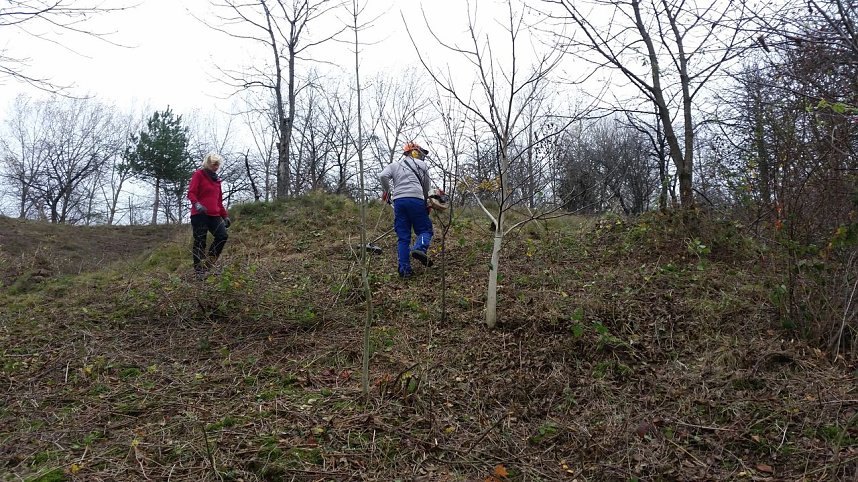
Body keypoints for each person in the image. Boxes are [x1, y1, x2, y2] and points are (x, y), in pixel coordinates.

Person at [379, 141, 434, 278]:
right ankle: (419, 248)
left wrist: (387, 192)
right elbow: (426, 187)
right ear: (414, 152)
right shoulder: (422, 165)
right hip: (416, 200)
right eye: (420, 153)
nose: (422, 156)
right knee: (425, 230)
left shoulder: (395, 165)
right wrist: (427, 201)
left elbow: (382, 176)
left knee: (403, 238)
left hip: (399, 201)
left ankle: (405, 271)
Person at [187, 153, 230, 278]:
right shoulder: (198, 175)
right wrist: (197, 204)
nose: (216, 167)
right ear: (207, 163)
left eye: (217, 165)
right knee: (200, 241)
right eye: (213, 164)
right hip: (199, 214)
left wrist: (224, 216)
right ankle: (199, 271)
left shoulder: (217, 181)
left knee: (222, 236)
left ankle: (207, 265)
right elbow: (191, 193)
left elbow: (218, 201)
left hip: (214, 215)